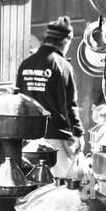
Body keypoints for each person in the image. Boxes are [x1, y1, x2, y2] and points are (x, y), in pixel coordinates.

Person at [16, 16, 84, 178]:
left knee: (36, 189)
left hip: (30, 140)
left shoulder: (26, 64)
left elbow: (19, 101)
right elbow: (68, 105)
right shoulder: (62, 65)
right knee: (65, 188)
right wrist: (78, 133)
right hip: (57, 140)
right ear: (65, 40)